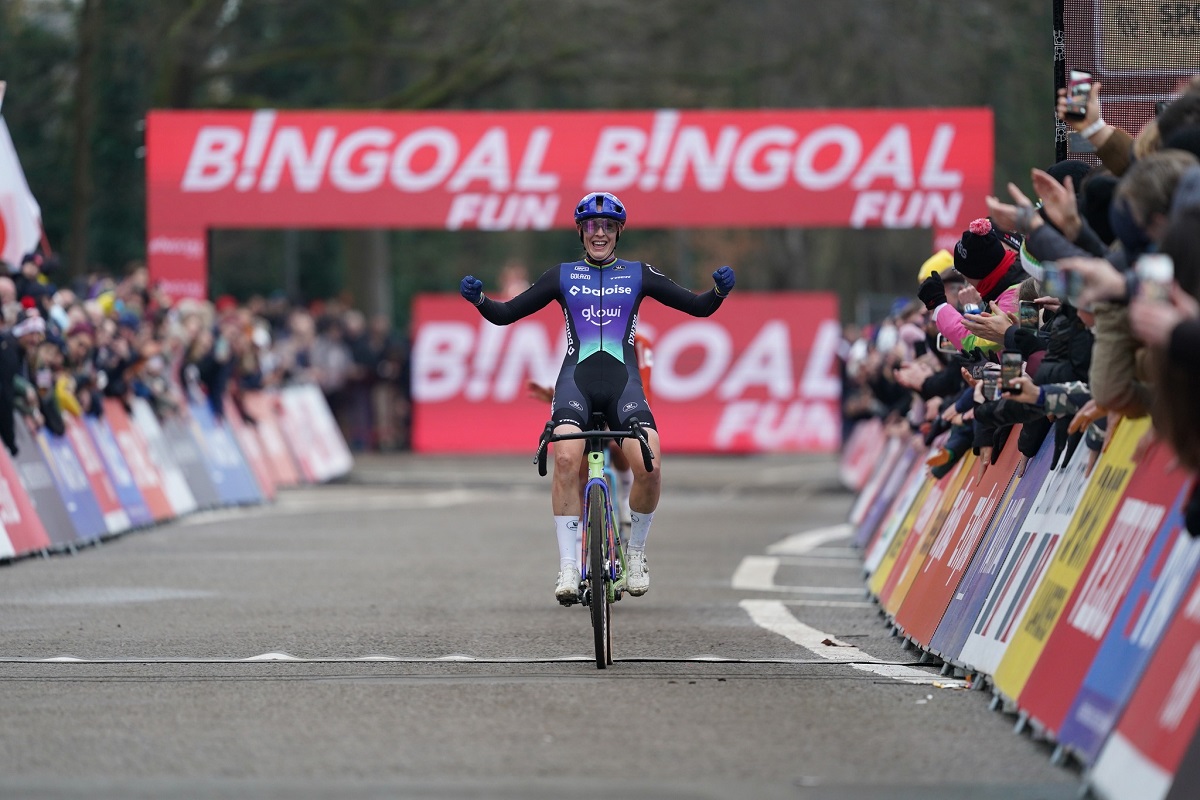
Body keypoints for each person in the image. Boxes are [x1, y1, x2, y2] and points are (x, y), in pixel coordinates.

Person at [460, 191, 735, 602]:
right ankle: (569, 566)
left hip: (623, 384)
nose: (599, 233)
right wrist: (481, 301)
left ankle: (636, 554)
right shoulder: (562, 275)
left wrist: (717, 292)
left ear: (619, 232)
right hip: (577, 382)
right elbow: (506, 314)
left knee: (650, 463)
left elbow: (697, 307)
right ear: (581, 232)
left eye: (608, 226)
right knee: (567, 458)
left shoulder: (638, 273)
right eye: (591, 226)